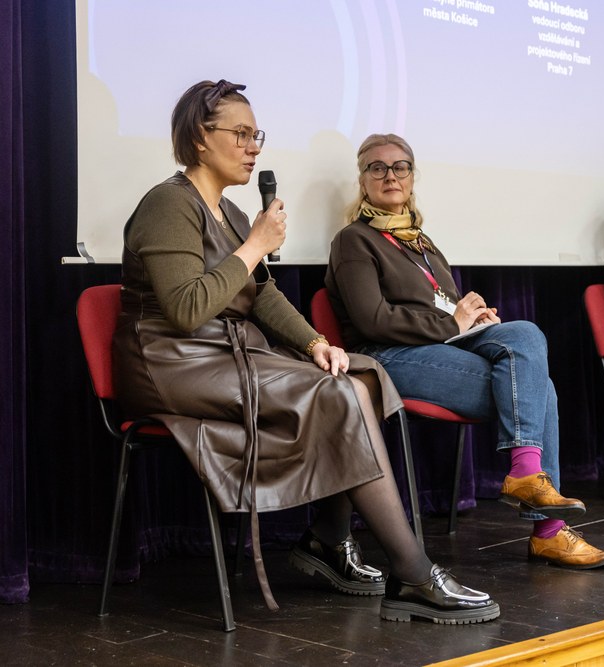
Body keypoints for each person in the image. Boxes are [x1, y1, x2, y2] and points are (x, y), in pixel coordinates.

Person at [112, 80, 498, 625]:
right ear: (201, 138)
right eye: (241, 134)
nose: (254, 146)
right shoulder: (168, 204)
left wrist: (317, 343)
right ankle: (411, 572)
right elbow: (185, 308)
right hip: (174, 363)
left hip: (226, 355)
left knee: (361, 376)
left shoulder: (233, 215)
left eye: (256, 134)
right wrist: (255, 247)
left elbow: (261, 295)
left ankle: (330, 542)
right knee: (340, 394)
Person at [325, 133, 604, 568]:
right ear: (363, 180)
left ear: (412, 177)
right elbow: (372, 320)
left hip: (439, 344)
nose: (390, 175)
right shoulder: (354, 240)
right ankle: (546, 527)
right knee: (541, 392)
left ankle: (528, 482)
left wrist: (475, 318)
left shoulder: (421, 242)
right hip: (386, 358)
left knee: (524, 334)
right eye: (378, 167)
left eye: (400, 166)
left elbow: (446, 305)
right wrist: (451, 322)